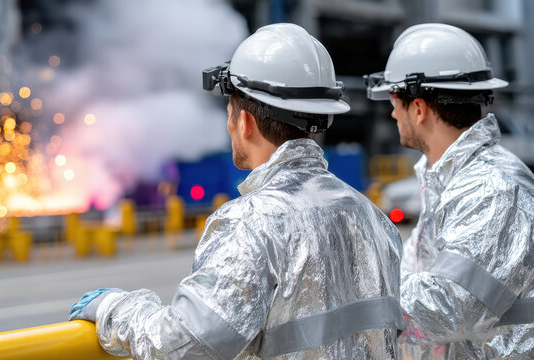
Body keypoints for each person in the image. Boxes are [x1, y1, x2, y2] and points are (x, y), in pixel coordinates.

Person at [69, 23, 404, 359]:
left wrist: (115, 308)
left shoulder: (251, 223)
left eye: (229, 112)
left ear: (245, 122)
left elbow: (182, 344)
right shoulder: (372, 217)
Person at [365, 23, 534, 359]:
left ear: (419, 108)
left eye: (395, 99)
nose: (391, 110)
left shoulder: (493, 189)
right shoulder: (453, 182)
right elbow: (408, 269)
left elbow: (445, 306)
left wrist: (354, 291)